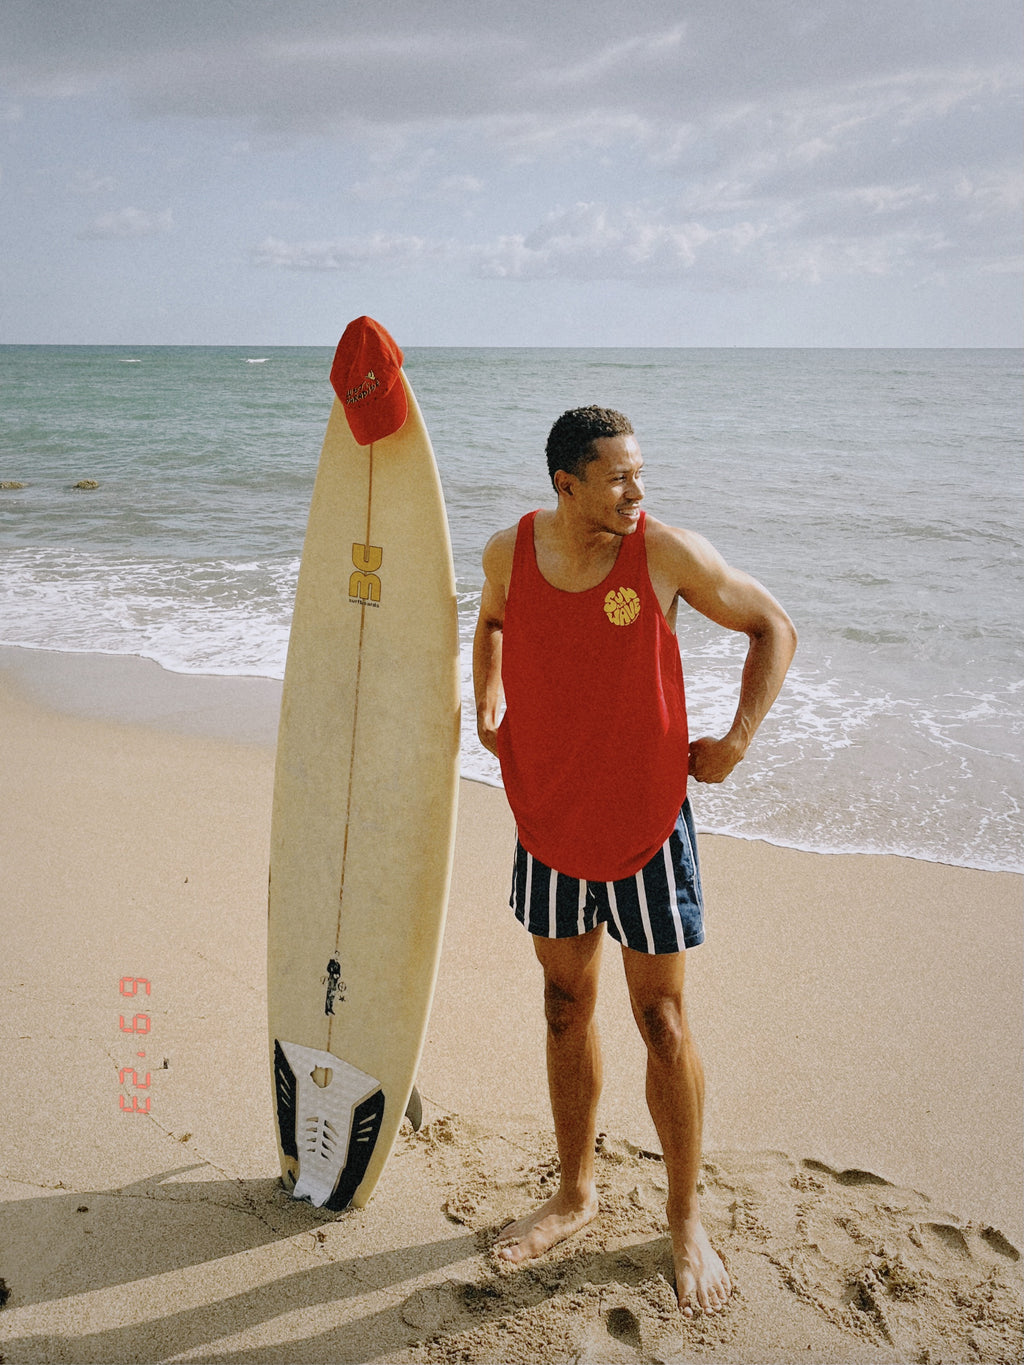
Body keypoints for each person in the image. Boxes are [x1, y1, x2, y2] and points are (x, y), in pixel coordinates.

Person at [472, 406, 797, 1317]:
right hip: (548, 824)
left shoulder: (664, 554)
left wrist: (736, 739)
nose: (637, 491)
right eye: (619, 477)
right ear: (566, 484)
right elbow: (491, 623)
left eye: (640, 474)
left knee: (661, 1020)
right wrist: (488, 699)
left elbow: (774, 625)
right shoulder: (508, 552)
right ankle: (576, 1193)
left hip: (649, 829)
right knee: (563, 1006)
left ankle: (684, 1218)